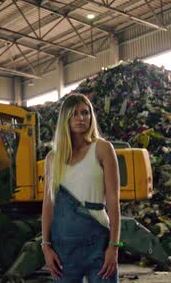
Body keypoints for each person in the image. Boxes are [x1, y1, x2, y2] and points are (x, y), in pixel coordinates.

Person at [41, 93, 121, 282]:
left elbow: (113, 200)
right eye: (74, 113)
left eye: (85, 113)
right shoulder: (53, 158)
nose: (81, 118)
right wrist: (46, 246)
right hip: (63, 248)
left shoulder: (102, 148)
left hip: (98, 243)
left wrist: (114, 246)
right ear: (65, 119)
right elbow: (48, 203)